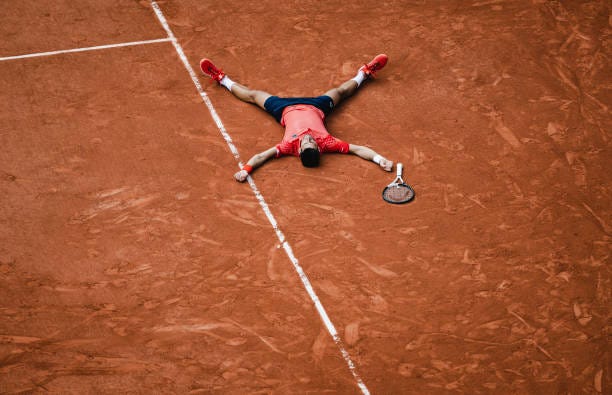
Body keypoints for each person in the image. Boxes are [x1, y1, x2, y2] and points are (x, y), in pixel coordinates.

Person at [199, 54, 394, 182]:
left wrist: (246, 169)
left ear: (299, 151)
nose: (308, 138)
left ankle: (221, 78)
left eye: (306, 143)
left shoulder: (287, 147)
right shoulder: (328, 143)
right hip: (317, 106)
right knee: (340, 92)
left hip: (283, 109)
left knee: (253, 95)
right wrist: (379, 159)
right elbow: (358, 149)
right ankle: (365, 73)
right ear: (318, 148)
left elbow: (261, 157)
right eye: (311, 143)